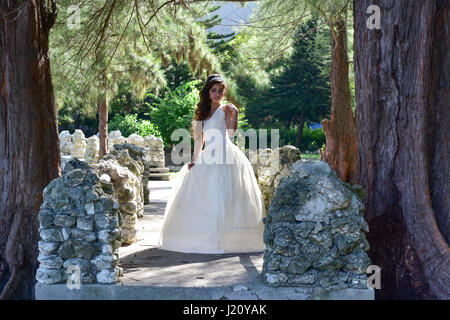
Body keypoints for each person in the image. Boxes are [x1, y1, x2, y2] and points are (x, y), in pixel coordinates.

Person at [156, 74, 266, 254]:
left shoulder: (225, 109)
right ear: (207, 92)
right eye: (213, 90)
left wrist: (235, 114)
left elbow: (230, 133)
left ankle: (229, 239)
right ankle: (208, 238)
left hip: (226, 153)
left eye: (220, 90)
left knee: (228, 197)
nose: (217, 94)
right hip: (209, 155)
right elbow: (199, 140)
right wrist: (194, 160)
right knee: (209, 196)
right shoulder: (201, 112)